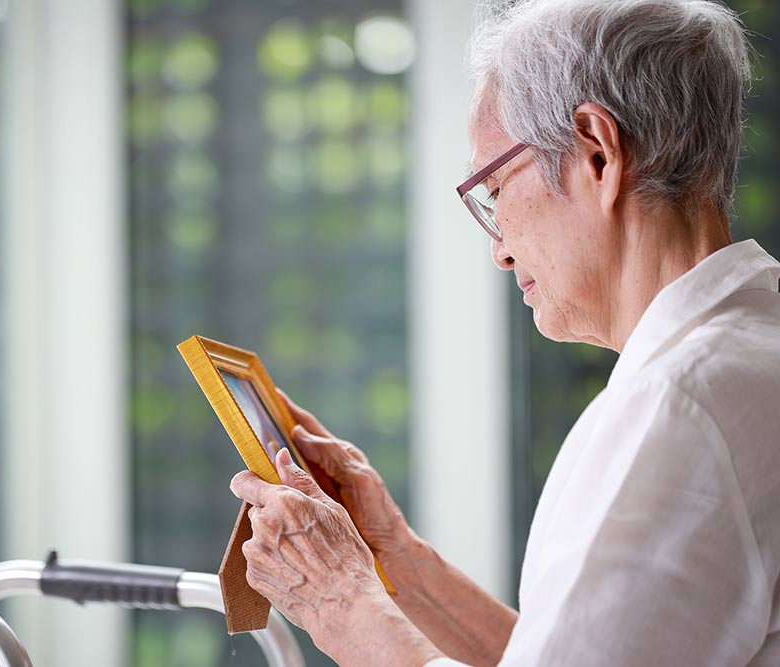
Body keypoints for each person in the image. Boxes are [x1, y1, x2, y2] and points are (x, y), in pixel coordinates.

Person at [229, 0, 780, 664]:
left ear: (597, 153)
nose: (500, 250)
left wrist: (345, 605)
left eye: (494, 189)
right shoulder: (750, 348)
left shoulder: (678, 408)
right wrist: (397, 560)